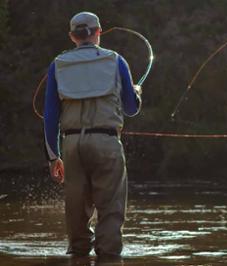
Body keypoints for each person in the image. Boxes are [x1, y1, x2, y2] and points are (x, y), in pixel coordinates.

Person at [43, 11, 142, 258]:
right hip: (107, 142)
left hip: (72, 144)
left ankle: (78, 254)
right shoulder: (116, 61)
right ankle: (108, 257)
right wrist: (137, 92)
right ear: (99, 32)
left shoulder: (58, 64)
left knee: (76, 208)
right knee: (110, 207)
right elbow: (131, 108)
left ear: (71, 36)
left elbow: (50, 114)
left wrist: (53, 156)